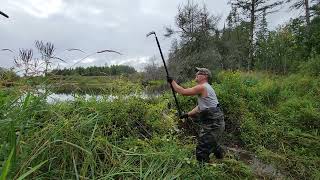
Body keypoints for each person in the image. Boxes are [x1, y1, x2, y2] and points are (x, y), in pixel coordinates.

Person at [167, 67, 225, 163]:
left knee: (202, 149)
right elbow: (200, 107)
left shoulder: (202, 87)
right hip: (215, 122)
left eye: (199, 73)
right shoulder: (206, 87)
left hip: (213, 123)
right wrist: (187, 114)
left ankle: (203, 170)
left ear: (205, 76)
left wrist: (172, 81)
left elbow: (182, 92)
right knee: (212, 142)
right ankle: (221, 160)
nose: (196, 74)